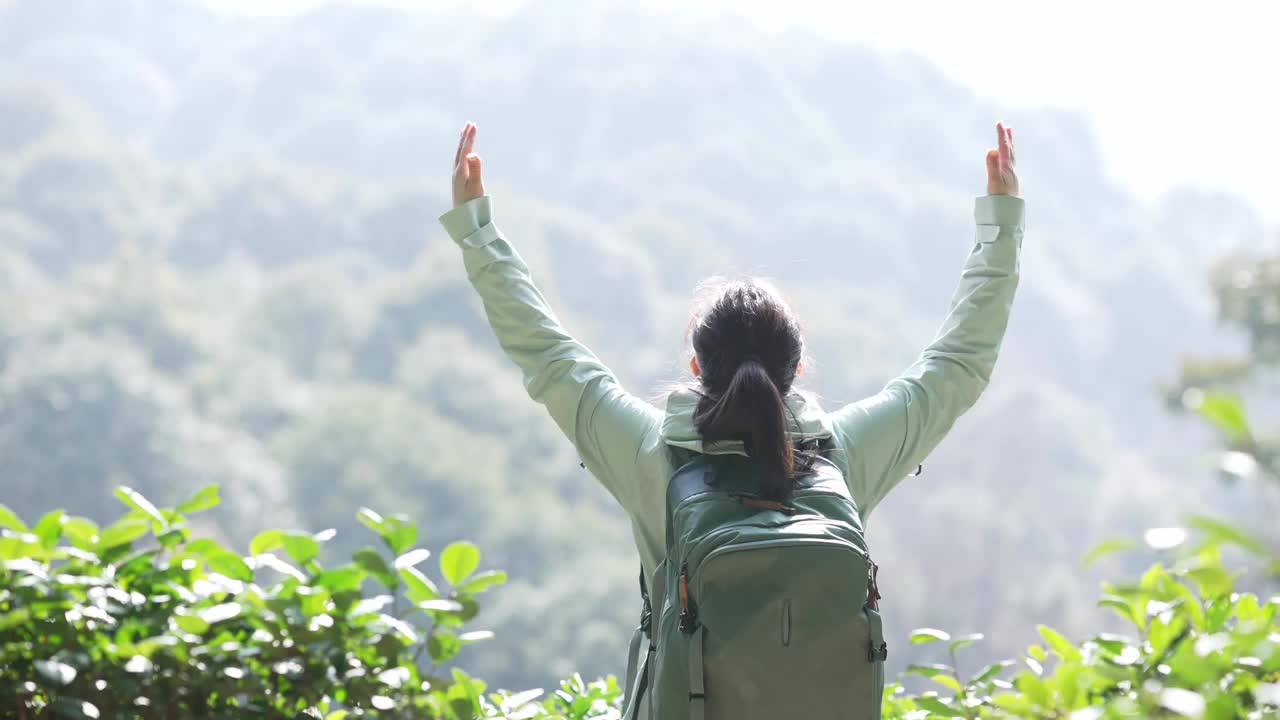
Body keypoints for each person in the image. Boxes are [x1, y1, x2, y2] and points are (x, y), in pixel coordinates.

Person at [438, 121, 1023, 716]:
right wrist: (1000, 228)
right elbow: (957, 365)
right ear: (798, 366)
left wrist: (476, 231)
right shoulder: (842, 457)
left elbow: (548, 354)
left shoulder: (651, 455)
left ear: (695, 364)